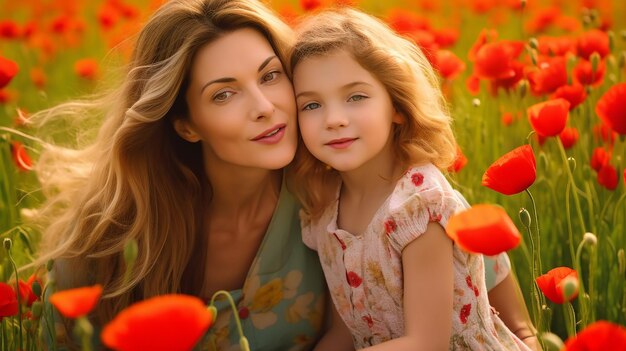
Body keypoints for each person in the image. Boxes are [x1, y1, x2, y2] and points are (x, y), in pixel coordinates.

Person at [27, 0, 538, 350]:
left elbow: (495, 298)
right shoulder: (114, 239)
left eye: (271, 76)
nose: (267, 107)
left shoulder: (340, 185)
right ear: (184, 124)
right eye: (223, 93)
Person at [288, 7, 536, 350]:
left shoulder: (419, 207)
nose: (334, 119)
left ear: (397, 107)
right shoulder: (325, 211)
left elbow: (426, 342)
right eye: (311, 105)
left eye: (356, 97)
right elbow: (345, 331)